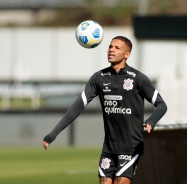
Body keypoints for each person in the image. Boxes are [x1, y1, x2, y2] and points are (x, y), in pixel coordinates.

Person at [42, 36, 167, 184]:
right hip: (109, 147)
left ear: (127, 54)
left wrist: (151, 121)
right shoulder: (98, 78)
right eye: (110, 47)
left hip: (131, 146)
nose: (111, 50)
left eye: (117, 48)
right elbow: (77, 106)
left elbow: (161, 105)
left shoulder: (138, 79)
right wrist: (53, 134)